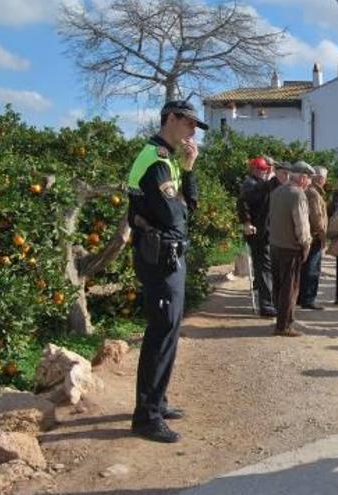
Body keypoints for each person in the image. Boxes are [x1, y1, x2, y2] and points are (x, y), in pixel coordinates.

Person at [127, 100, 207, 443]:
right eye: (188, 124)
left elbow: (191, 208)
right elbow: (177, 217)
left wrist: (188, 170)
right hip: (159, 258)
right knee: (161, 333)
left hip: (169, 256)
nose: (192, 132)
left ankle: (157, 400)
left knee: (169, 330)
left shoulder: (170, 161)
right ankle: (146, 417)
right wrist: (183, 205)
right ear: (170, 119)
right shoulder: (155, 161)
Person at [268, 162, 314, 337]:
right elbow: (301, 225)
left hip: (275, 244)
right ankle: (284, 325)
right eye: (309, 178)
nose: (309, 181)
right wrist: (306, 244)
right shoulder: (298, 195)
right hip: (290, 247)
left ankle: (281, 320)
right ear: (302, 177)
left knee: (279, 286)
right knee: (290, 287)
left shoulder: (277, 192)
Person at [237, 156, 278, 318]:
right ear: (254, 169)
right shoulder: (250, 184)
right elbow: (243, 204)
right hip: (257, 233)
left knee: (265, 268)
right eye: (261, 169)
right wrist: (247, 222)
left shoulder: (258, 183)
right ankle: (266, 305)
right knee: (263, 269)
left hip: (264, 232)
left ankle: (269, 302)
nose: (263, 172)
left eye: (265, 169)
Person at [298, 166, 329, 310]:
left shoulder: (308, 191)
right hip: (314, 236)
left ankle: (301, 296)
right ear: (321, 179)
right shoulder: (314, 193)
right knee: (312, 268)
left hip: (308, 235)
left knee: (305, 267)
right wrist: (323, 236)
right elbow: (317, 218)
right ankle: (309, 298)